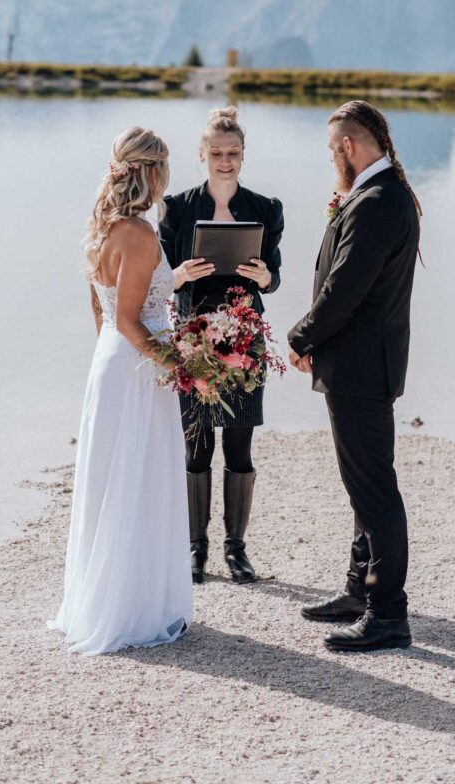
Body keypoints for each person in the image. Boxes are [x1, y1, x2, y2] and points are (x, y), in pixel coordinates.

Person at [48, 127, 193, 654]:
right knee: (139, 481)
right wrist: (180, 365)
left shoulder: (102, 228)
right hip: (137, 367)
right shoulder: (140, 234)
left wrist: (113, 363)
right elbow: (135, 321)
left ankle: (107, 597)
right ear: (152, 173)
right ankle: (135, 610)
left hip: (110, 363)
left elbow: (104, 312)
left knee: (114, 480)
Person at [288, 100, 421, 652]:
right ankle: (359, 590)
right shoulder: (376, 195)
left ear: (349, 147)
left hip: (362, 367)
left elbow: (345, 289)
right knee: (361, 486)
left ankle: (388, 614)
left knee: (375, 492)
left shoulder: (377, 202)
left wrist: (301, 336)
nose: (330, 161)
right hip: (363, 363)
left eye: (331, 151)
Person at [159, 106, 284, 585]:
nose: (225, 161)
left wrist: (266, 276)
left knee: (240, 443)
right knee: (196, 445)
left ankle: (236, 550)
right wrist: (180, 275)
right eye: (216, 153)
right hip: (193, 337)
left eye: (232, 153)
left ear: (243, 154)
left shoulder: (266, 209)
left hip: (246, 334)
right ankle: (196, 548)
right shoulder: (177, 208)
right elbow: (160, 281)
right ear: (202, 155)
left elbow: (273, 275)